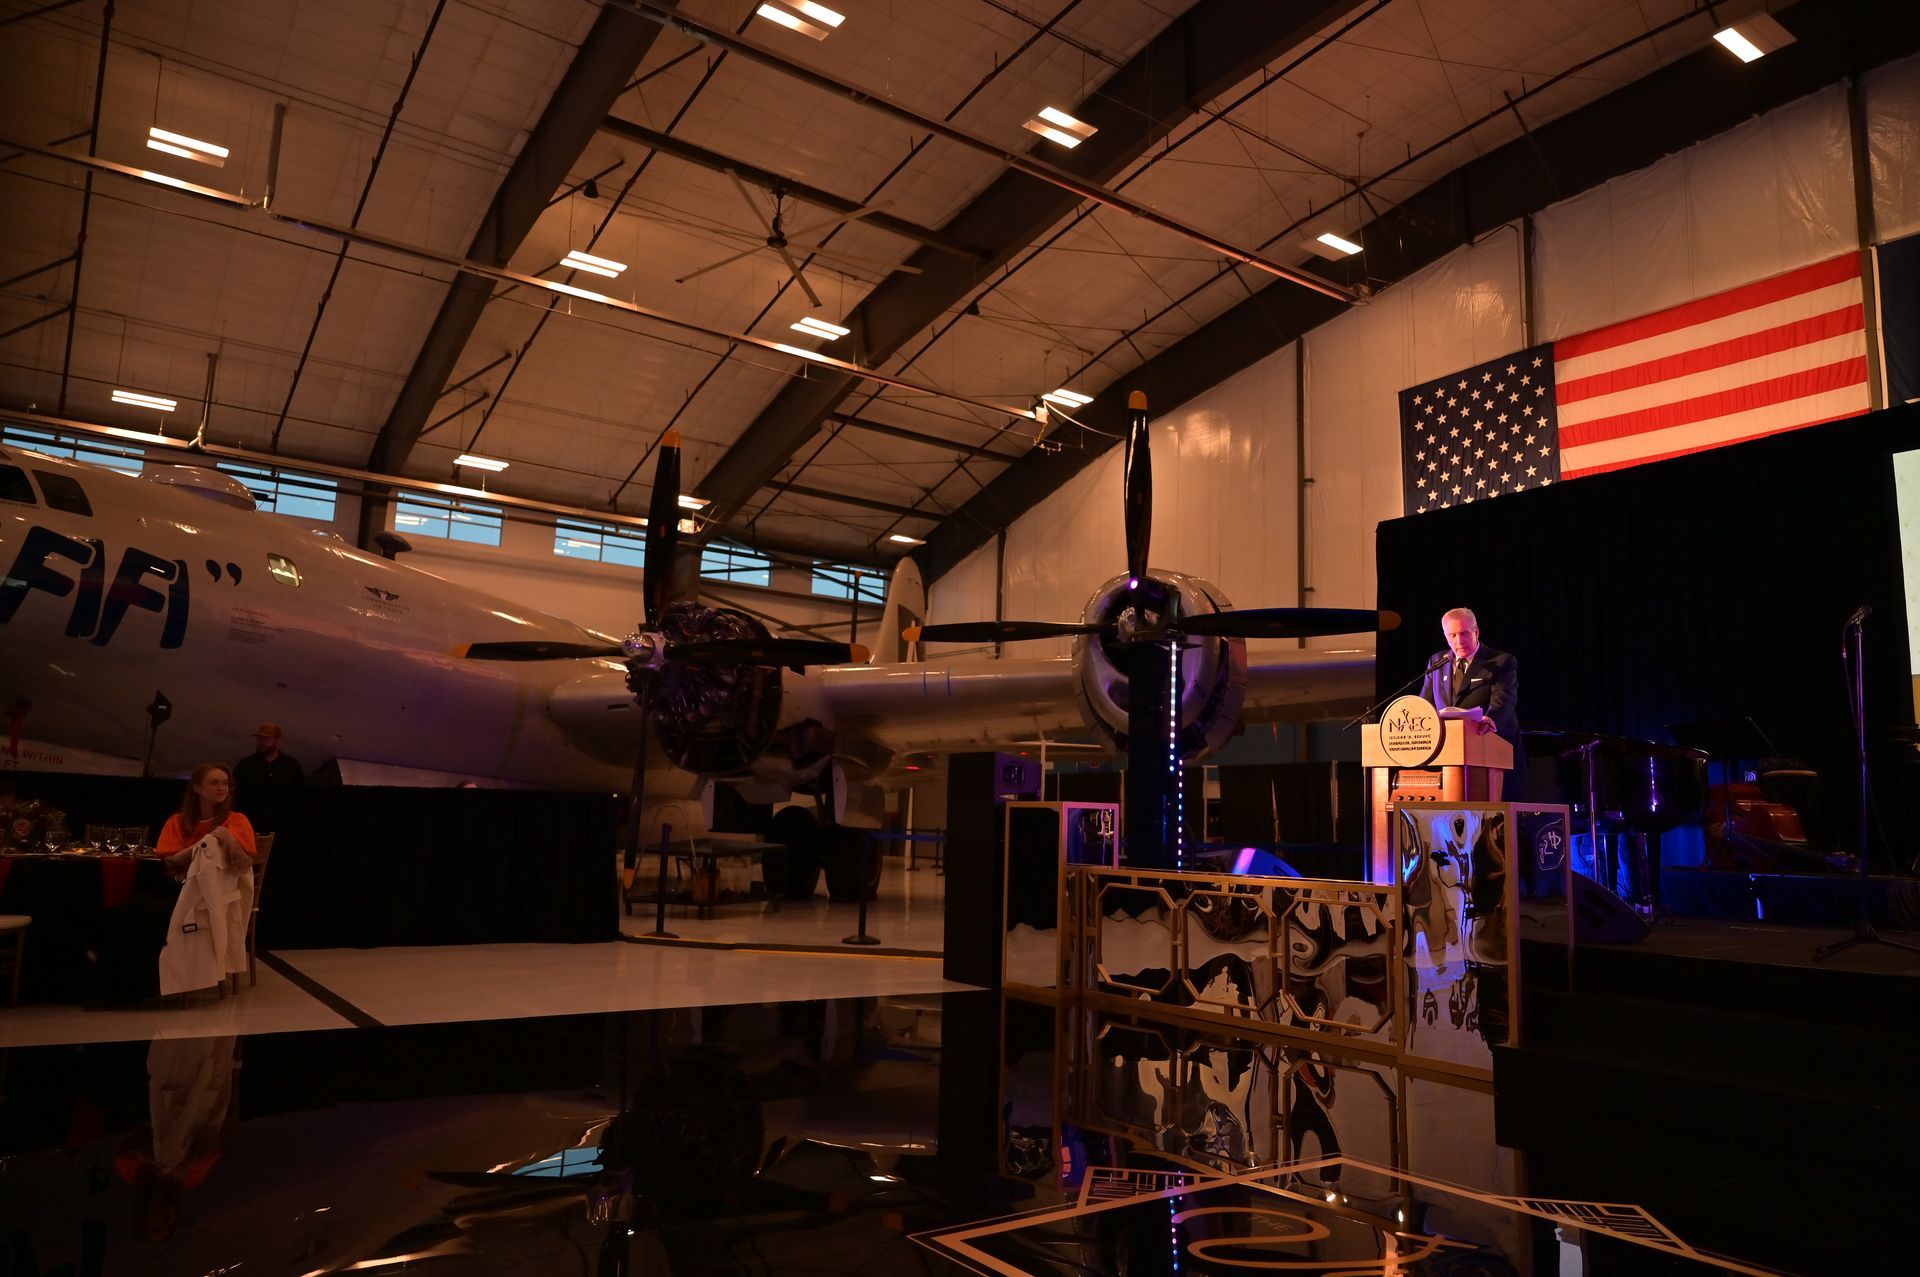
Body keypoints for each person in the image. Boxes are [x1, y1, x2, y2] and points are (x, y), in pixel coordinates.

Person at [88, 765, 257, 1005]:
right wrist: (201, 846)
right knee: (119, 914)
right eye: (215, 783)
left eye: (225, 783)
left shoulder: (236, 821)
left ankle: (140, 989)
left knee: (148, 917)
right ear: (198, 788)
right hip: (178, 887)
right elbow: (170, 862)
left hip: (210, 895)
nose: (222, 788)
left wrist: (229, 840)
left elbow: (243, 865)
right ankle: (107, 985)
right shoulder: (178, 821)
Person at [1420, 607, 1523, 796]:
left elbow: (1503, 700)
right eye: (1452, 635)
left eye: (1464, 633)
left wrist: (1491, 719)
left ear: (1476, 631)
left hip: (1489, 748)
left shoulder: (1500, 661)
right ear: (1445, 636)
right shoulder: (1437, 661)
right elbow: (1425, 703)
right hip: (1448, 753)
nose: (1459, 640)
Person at [233, 722, 302, 834]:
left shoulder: (291, 765)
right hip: (251, 827)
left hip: (283, 827)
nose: (261, 742)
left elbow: (299, 796)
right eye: (260, 738)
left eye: (266, 739)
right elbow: (235, 795)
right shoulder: (245, 765)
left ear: (278, 741)